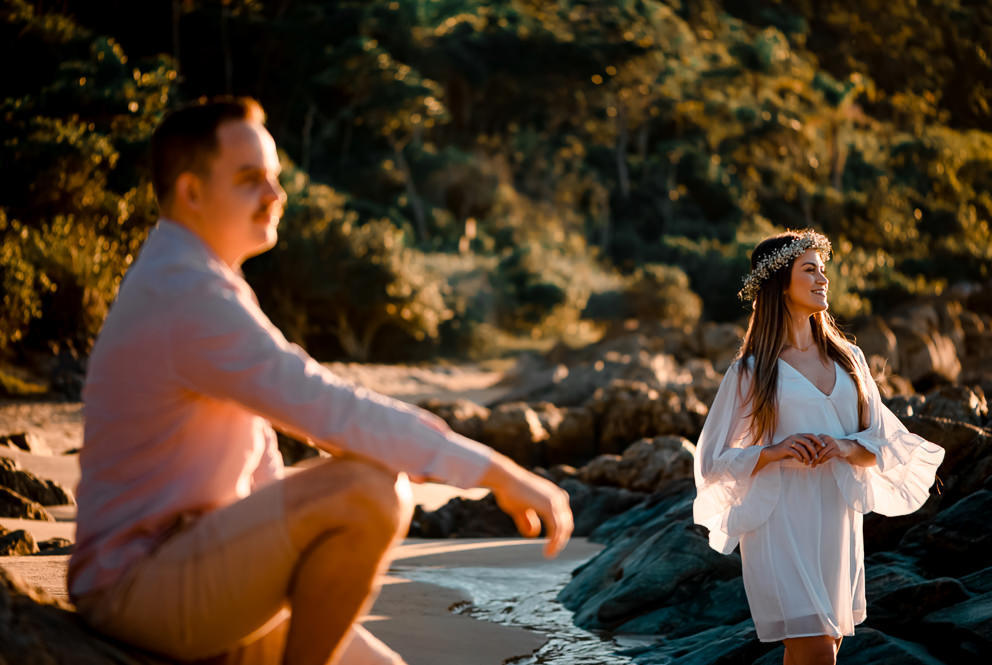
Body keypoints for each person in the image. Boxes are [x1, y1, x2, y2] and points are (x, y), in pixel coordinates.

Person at [68, 96, 574, 665]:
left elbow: (270, 466)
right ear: (190, 192)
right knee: (368, 490)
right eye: (251, 179)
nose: (276, 195)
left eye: (276, 178)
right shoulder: (185, 292)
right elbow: (325, 406)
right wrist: (494, 472)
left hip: (198, 567)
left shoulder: (198, 280)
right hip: (138, 585)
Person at [692, 230, 944, 665]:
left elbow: (884, 444)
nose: (822, 279)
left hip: (836, 520)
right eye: (809, 270)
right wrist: (775, 450)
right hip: (780, 522)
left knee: (823, 649)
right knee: (818, 647)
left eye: (823, 270)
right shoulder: (751, 371)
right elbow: (712, 462)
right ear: (779, 283)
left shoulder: (851, 360)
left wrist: (845, 448)